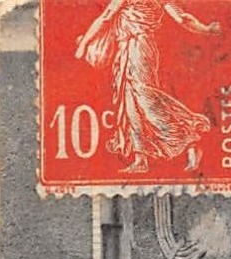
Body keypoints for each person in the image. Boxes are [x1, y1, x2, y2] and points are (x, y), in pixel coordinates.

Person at [74, 0, 219, 173]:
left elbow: (106, 17)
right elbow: (182, 19)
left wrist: (83, 45)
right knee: (129, 103)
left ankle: (189, 139)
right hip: (126, 49)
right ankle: (140, 158)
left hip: (139, 48)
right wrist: (206, 29)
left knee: (144, 99)